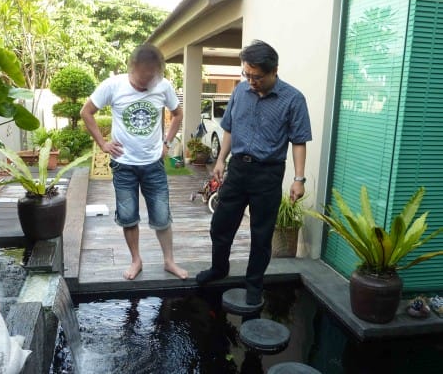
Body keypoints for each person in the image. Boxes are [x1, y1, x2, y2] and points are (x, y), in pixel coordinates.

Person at [196, 40, 312, 304]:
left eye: (257, 76)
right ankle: (218, 268)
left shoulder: (293, 99)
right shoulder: (239, 92)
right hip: (237, 169)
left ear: (274, 71)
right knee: (221, 224)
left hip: (268, 173)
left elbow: (299, 141)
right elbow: (229, 127)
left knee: (261, 233)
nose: (251, 81)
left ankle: (254, 284)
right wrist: (220, 160)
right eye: (246, 74)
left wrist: (298, 179)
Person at [80, 44, 188, 280]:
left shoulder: (163, 86)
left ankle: (169, 261)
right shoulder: (112, 85)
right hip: (124, 165)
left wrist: (167, 143)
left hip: (154, 164)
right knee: (128, 216)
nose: (146, 83)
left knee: (161, 216)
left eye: (151, 78)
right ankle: (136, 260)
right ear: (132, 68)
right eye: (141, 77)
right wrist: (102, 143)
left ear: (158, 73)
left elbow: (178, 114)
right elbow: (86, 112)